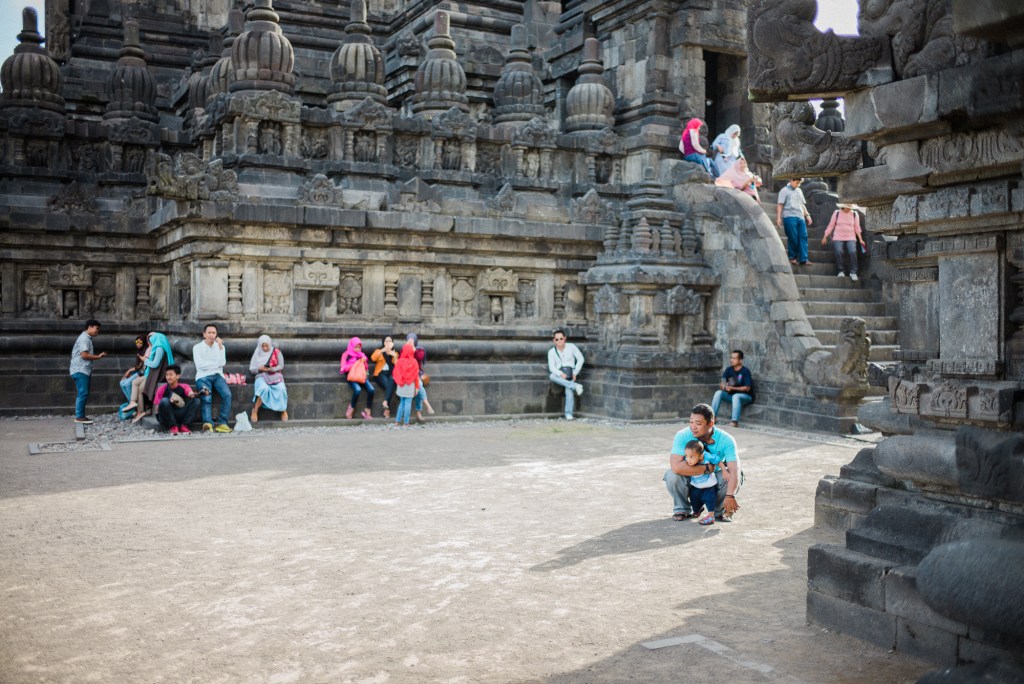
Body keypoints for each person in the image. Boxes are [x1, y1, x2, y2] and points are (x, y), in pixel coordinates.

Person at [663, 404, 742, 522]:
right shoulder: (683, 435)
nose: (693, 427)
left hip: (713, 481)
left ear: (710, 424)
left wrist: (730, 495)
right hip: (691, 477)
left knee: (729, 476)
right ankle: (682, 509)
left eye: (698, 424)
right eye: (691, 422)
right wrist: (706, 468)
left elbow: (734, 469)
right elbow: (676, 466)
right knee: (672, 475)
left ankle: (718, 511)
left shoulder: (726, 439)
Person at [128, 331, 175, 424]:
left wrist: (145, 360)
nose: (150, 341)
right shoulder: (160, 347)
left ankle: (139, 409)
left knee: (139, 385)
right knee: (140, 387)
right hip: (153, 374)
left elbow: (155, 364)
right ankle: (140, 410)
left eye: (151, 339)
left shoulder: (159, 349)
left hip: (156, 376)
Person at [193, 323, 232, 432]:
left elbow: (222, 362)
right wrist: (215, 364)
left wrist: (220, 348)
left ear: (216, 335)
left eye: (213, 333)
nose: (211, 335)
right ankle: (207, 423)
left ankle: (222, 423)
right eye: (209, 332)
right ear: (204, 334)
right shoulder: (197, 348)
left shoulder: (220, 347)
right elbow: (200, 365)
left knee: (227, 395)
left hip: (218, 376)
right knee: (206, 397)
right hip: (202, 377)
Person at [69, 319, 106, 424]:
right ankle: (79, 416)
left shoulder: (86, 338)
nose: (97, 331)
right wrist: (98, 357)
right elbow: (84, 355)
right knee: (83, 393)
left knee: (83, 392)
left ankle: (81, 415)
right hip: (81, 369)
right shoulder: (84, 339)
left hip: (81, 369)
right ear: (90, 327)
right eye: (96, 328)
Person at [822, 202, 867, 281]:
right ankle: (841, 271)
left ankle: (853, 272)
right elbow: (831, 225)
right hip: (838, 236)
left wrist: (860, 239)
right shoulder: (837, 213)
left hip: (851, 236)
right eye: (847, 207)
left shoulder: (854, 214)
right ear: (843, 207)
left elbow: (857, 227)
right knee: (839, 251)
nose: (849, 209)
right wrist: (825, 236)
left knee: (852, 251)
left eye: (850, 207)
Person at [547, 329, 584, 421]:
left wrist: (575, 372)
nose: (559, 341)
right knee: (552, 376)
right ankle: (575, 386)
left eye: (561, 338)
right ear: (554, 341)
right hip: (559, 373)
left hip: (570, 372)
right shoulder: (551, 352)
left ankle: (568, 413)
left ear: (565, 338)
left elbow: (581, 359)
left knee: (569, 390)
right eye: (557, 339)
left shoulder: (571, 347)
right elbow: (551, 367)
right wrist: (560, 373)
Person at [249, 334, 288, 423]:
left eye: (267, 345)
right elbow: (252, 369)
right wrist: (260, 368)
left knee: (281, 388)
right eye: (263, 346)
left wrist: (272, 369)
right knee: (264, 388)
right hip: (261, 376)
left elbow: (281, 365)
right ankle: (255, 411)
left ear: (270, 344)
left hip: (274, 376)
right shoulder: (257, 353)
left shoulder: (276, 352)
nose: (265, 348)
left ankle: (283, 410)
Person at [711, 350, 754, 427]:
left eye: (734, 358)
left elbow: (747, 388)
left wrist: (733, 388)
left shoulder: (745, 371)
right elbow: (722, 383)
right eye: (731, 358)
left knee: (736, 396)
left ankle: (734, 421)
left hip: (746, 397)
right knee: (718, 393)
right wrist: (725, 387)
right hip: (731, 396)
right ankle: (713, 417)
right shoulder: (728, 370)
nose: (731, 360)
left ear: (740, 360)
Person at [152, 364, 199, 435]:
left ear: (178, 376)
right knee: (164, 401)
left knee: (196, 401)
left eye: (171, 375)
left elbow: (190, 393)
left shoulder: (184, 386)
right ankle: (173, 426)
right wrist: (168, 403)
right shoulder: (161, 389)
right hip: (166, 416)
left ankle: (184, 426)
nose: (168, 377)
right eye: (167, 375)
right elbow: (157, 408)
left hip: (180, 413)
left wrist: (194, 394)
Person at [776, 177, 813, 265]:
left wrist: (807, 215)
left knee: (803, 236)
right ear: (791, 180)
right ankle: (792, 257)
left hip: (800, 217)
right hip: (789, 216)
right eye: (797, 182)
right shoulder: (784, 191)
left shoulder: (799, 191)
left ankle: (804, 258)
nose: (798, 185)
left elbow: (802, 204)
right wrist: (778, 217)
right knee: (793, 236)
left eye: (799, 183)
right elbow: (780, 205)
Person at [683, 440, 719, 526]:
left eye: (691, 457)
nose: (688, 459)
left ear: (700, 456)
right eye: (686, 456)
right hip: (696, 486)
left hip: (709, 487)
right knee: (694, 501)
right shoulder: (687, 462)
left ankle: (711, 516)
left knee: (710, 501)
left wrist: (724, 470)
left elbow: (717, 460)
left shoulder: (706, 458)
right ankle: (697, 511)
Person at [339, 336, 374, 420]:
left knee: (371, 389)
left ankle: (367, 410)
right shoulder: (346, 354)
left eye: (359, 347)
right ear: (351, 346)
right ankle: (351, 408)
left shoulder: (361, 355)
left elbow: (366, 368)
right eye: (356, 347)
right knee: (357, 390)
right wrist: (354, 364)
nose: (358, 349)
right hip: (351, 377)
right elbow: (343, 368)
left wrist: (364, 361)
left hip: (361, 376)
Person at [405, 333, 435, 421]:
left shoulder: (420, 349)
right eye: (409, 340)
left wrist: (413, 349)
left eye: (412, 340)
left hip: (417, 374)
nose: (410, 342)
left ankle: (419, 412)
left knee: (419, 386)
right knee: (419, 386)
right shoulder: (404, 349)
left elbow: (420, 357)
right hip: (408, 375)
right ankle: (427, 405)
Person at [392, 343, 421, 427]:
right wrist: (417, 387)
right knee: (408, 403)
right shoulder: (414, 362)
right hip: (410, 385)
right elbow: (416, 376)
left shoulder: (400, 361)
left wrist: (400, 381)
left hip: (401, 385)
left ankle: (397, 421)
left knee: (402, 403)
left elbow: (395, 373)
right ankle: (406, 422)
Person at [370, 335, 399, 419]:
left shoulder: (395, 352)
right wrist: (383, 350)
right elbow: (373, 358)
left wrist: (394, 355)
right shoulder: (379, 350)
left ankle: (385, 402)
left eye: (390, 341)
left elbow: (397, 366)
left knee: (391, 381)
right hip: (380, 374)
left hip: (390, 374)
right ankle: (387, 410)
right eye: (386, 341)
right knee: (389, 387)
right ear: (383, 342)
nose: (388, 343)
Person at [119, 335, 147, 401]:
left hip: (142, 373)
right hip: (137, 372)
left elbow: (141, 366)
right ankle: (130, 402)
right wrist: (130, 372)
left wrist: (129, 371)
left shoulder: (145, 352)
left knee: (127, 384)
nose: (138, 344)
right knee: (122, 383)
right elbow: (138, 366)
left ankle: (133, 402)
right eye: (137, 342)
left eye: (140, 342)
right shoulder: (139, 351)